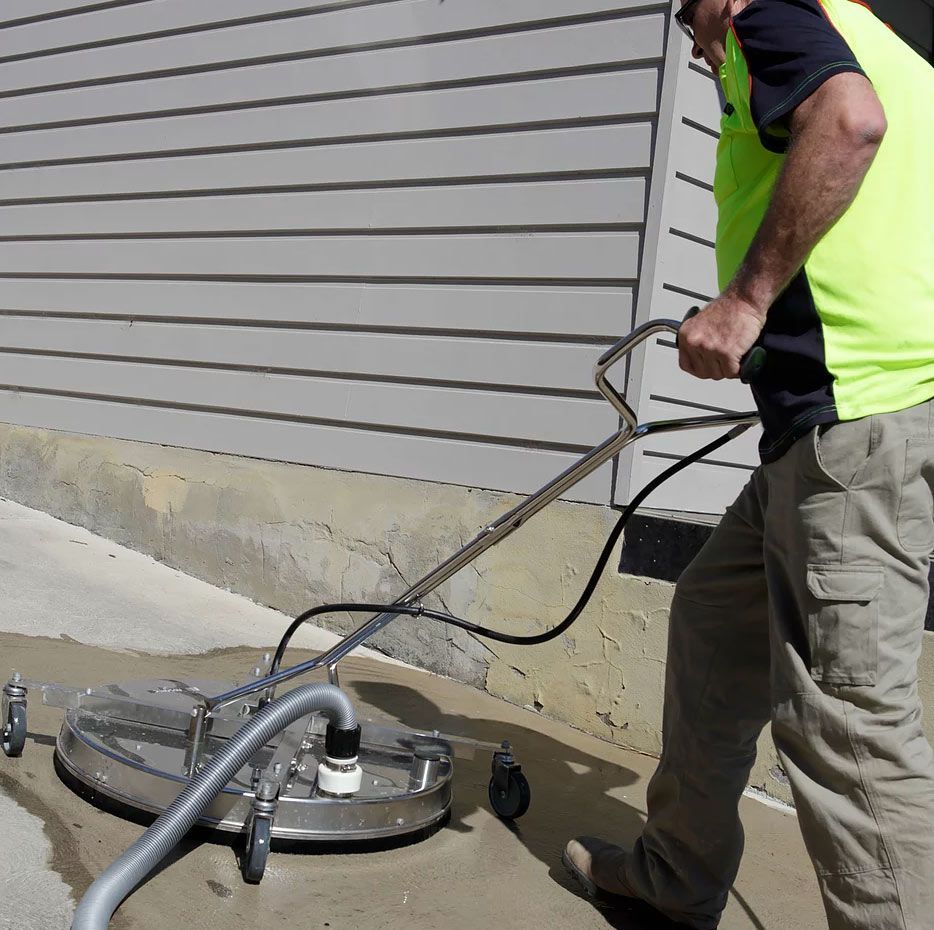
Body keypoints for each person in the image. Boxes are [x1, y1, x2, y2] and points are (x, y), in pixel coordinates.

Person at [562, 0, 934, 927]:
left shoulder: (768, 13)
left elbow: (848, 122)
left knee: (845, 720)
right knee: (712, 617)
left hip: (859, 426)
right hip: (825, 429)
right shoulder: (886, 45)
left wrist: (746, 300)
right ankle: (675, 877)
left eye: (689, 18)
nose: (695, 43)